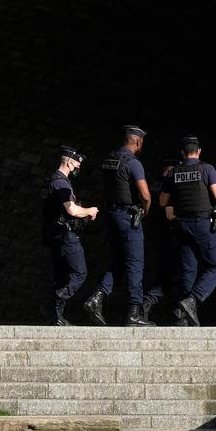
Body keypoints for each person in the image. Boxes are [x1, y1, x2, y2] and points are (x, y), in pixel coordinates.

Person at [83, 125, 153, 326]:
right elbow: (145, 195)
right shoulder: (133, 163)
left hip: (111, 216)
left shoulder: (109, 160)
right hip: (128, 217)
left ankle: (96, 298)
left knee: (118, 261)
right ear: (138, 142)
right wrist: (144, 211)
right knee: (135, 262)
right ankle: (134, 312)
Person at [159, 135, 216, 326]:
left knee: (188, 270)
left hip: (182, 226)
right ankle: (192, 300)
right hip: (203, 224)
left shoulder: (174, 172)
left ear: (182, 152)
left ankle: (183, 318)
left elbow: (163, 201)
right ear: (199, 151)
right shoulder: (207, 169)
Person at [41, 145, 99, 326]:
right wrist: (89, 210)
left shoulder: (54, 180)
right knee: (79, 272)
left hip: (57, 235)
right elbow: (71, 210)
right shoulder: (60, 182)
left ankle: (56, 316)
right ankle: (55, 303)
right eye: (76, 164)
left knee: (62, 275)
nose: (78, 168)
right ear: (68, 161)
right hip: (65, 235)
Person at [141, 157, 182, 323]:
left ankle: (149, 304)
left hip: (155, 237)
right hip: (170, 236)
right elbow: (170, 214)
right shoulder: (170, 186)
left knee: (166, 275)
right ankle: (180, 313)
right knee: (178, 274)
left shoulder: (154, 184)